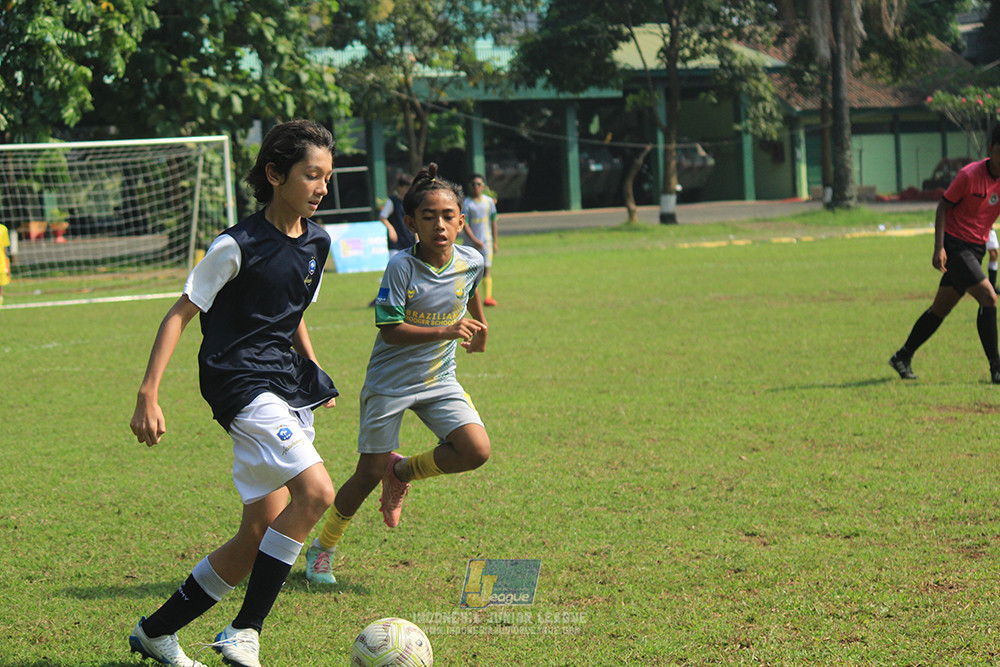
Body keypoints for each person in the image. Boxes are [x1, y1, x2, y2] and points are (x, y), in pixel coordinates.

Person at [127, 120, 340, 667]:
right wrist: (148, 394)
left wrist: (315, 370)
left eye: (327, 176)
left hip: (286, 384)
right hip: (240, 382)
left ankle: (156, 632)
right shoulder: (235, 244)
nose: (322, 187)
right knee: (316, 493)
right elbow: (179, 314)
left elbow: (291, 313)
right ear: (275, 175)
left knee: (258, 532)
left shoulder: (318, 242)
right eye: (311, 175)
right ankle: (245, 629)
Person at [304, 163, 491, 585]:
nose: (439, 225)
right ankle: (323, 549)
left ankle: (402, 471)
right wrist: (447, 329)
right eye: (429, 217)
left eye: (448, 216)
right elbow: (390, 330)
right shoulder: (401, 267)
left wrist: (481, 328)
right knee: (367, 473)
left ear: (461, 222)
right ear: (410, 224)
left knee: (476, 450)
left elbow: (471, 290)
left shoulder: (471, 260)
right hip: (389, 385)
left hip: (439, 379)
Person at [890, 125, 1000, 383]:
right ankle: (996, 367)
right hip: (956, 246)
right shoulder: (969, 175)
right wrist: (938, 247)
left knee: (941, 308)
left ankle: (902, 356)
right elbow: (942, 207)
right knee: (988, 297)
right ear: (990, 150)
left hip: (976, 248)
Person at [462, 173, 499, 307]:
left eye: (478, 184)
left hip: (486, 242)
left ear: (483, 186)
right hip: (470, 244)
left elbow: (493, 221)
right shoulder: (466, 203)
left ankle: (488, 297)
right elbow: (465, 224)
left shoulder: (488, 202)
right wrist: (474, 240)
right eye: (473, 185)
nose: (476, 187)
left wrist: (495, 242)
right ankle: (467, 298)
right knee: (471, 272)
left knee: (487, 269)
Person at [0, 223, 10, 308]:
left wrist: (6, 258)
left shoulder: (3, 229)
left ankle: (0, 299)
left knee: (1, 282)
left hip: (1, 260)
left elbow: (5, 246)